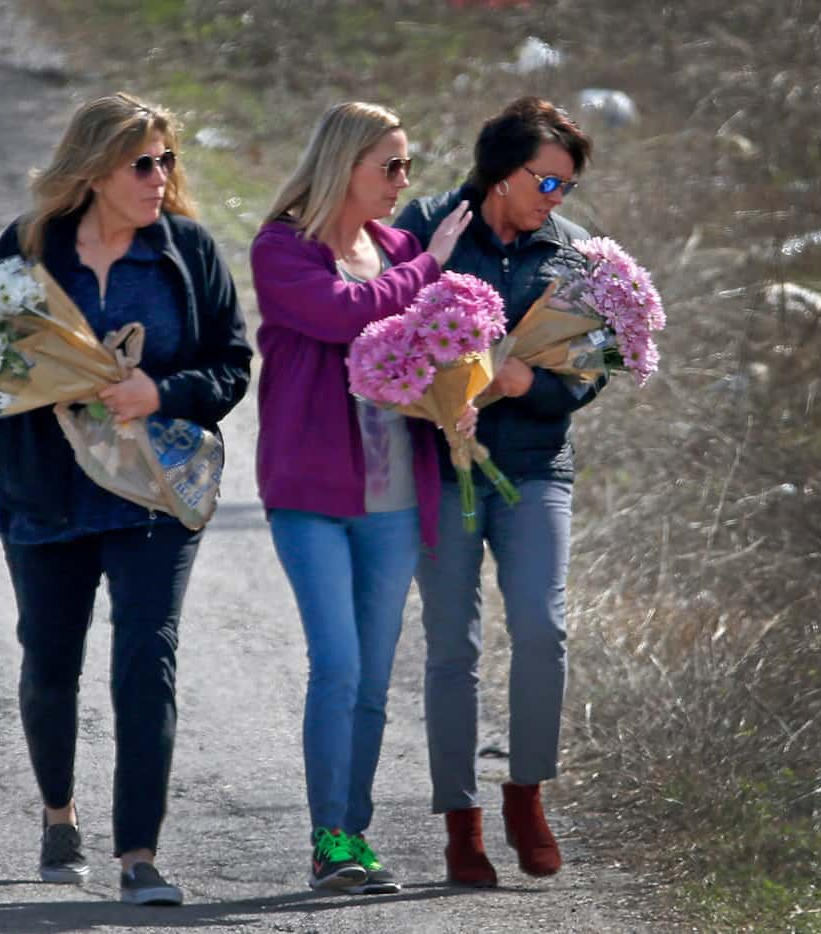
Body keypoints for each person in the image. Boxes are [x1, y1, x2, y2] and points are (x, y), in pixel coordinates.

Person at [0, 92, 251, 906]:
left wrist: (164, 393)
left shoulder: (186, 251)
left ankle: (139, 858)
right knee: (51, 663)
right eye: (143, 163)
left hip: (153, 495)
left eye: (168, 162)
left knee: (145, 660)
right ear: (94, 170)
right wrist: (13, 453)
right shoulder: (29, 247)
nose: (161, 178)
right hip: (45, 495)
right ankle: (59, 815)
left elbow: (231, 364)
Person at [251, 102, 471, 894]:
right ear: (344, 165)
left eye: (407, 166)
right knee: (337, 664)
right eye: (391, 166)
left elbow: (437, 350)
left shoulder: (398, 248)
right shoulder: (282, 247)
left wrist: (461, 393)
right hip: (309, 494)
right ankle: (327, 839)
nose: (404, 183)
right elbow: (339, 314)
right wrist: (432, 266)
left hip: (394, 500)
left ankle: (353, 836)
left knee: (375, 677)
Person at [394, 96, 604, 886]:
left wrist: (528, 384)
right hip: (442, 465)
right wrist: (443, 389)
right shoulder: (430, 230)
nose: (557, 201)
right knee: (452, 647)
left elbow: (589, 375)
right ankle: (462, 822)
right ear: (501, 172)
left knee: (543, 628)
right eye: (547, 183)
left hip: (536, 464)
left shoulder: (577, 254)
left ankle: (526, 793)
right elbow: (385, 336)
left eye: (568, 189)